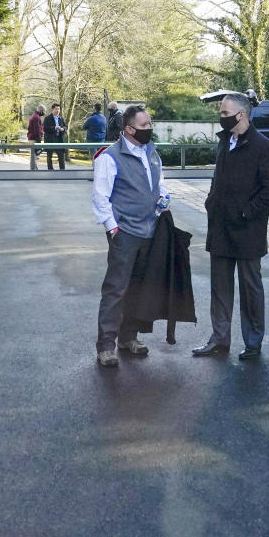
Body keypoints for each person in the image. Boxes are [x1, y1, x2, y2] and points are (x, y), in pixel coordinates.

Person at [192, 92, 269, 360]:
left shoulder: (263, 147)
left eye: (224, 113)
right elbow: (218, 178)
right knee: (220, 288)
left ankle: (253, 342)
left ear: (240, 115)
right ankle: (219, 339)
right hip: (220, 227)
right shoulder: (225, 142)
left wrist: (246, 212)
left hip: (247, 230)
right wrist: (211, 202)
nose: (221, 117)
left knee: (250, 288)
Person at [91, 105, 169, 367]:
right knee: (116, 289)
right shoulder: (109, 157)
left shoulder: (152, 152)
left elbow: (159, 183)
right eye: (145, 125)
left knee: (138, 288)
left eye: (150, 123)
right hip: (125, 234)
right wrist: (114, 229)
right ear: (128, 129)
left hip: (150, 232)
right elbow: (100, 198)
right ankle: (106, 346)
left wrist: (163, 198)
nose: (150, 129)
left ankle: (128, 337)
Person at [43, 103, 67, 170]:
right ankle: (50, 170)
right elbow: (45, 128)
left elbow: (66, 127)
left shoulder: (61, 118)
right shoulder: (47, 118)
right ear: (52, 109)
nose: (58, 110)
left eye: (59, 109)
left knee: (61, 156)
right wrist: (54, 128)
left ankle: (62, 171)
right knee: (49, 157)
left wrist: (62, 129)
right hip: (50, 140)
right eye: (56, 109)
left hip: (59, 140)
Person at [27, 104, 44, 170]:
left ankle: (34, 168)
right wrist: (39, 140)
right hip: (34, 138)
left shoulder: (34, 116)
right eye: (44, 111)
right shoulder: (36, 117)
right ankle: (33, 169)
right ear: (41, 110)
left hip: (32, 137)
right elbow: (37, 130)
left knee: (34, 155)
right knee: (34, 155)